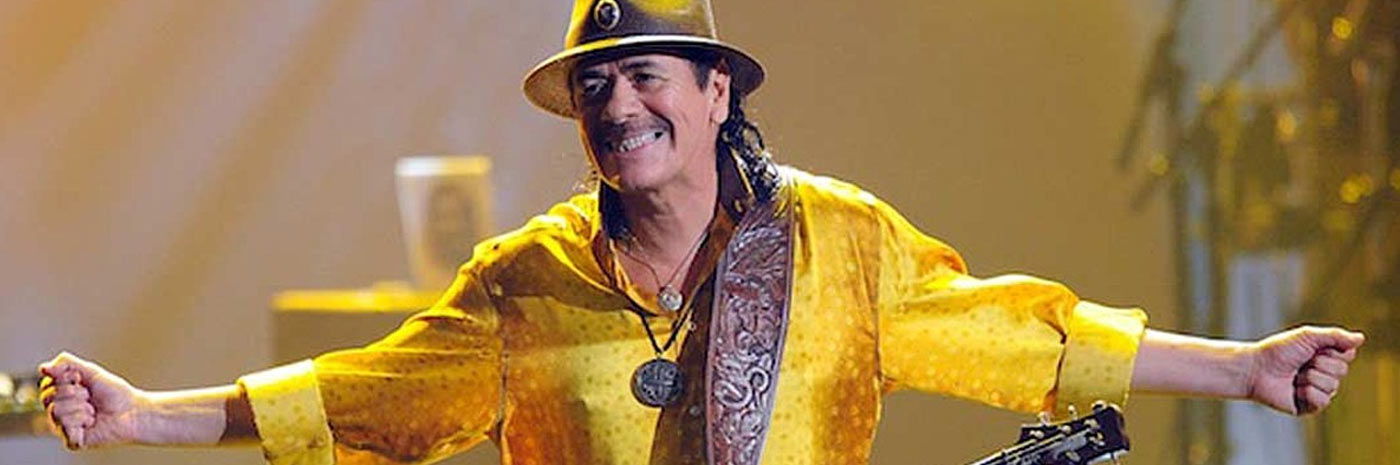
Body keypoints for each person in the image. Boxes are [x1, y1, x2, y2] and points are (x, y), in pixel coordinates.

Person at [39, 1, 1365, 464]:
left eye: (646, 76)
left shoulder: (837, 243)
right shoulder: (524, 282)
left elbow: (1032, 339)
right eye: (595, 88)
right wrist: (146, 414)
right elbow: (355, 397)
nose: (619, 106)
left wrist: (1244, 368)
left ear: (718, 90)